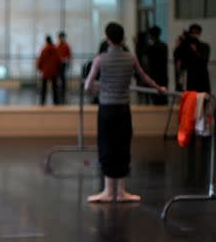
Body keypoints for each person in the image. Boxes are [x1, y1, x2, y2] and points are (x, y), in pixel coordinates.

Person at [84, 22, 165, 203]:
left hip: (106, 109)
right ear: (123, 38)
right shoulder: (130, 58)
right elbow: (144, 78)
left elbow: (88, 85)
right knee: (122, 147)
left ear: (107, 38)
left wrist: (102, 91)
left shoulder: (100, 59)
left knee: (106, 146)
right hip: (122, 110)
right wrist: (159, 88)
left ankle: (107, 191)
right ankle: (121, 192)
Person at [175, 23, 211, 93]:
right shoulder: (186, 46)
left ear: (200, 33)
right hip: (190, 79)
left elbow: (204, 61)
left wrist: (194, 50)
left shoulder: (204, 46)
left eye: (196, 32)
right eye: (192, 33)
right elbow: (177, 56)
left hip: (202, 79)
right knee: (190, 99)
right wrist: (180, 43)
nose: (194, 35)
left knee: (203, 99)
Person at [145, 26, 169, 105]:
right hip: (163, 76)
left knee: (155, 100)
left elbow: (148, 63)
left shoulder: (150, 48)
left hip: (154, 77)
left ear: (151, 36)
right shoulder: (164, 46)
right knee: (163, 98)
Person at [37, 35, 60, 105]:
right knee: (54, 88)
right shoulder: (55, 49)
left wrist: (40, 68)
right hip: (54, 71)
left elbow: (40, 60)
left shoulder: (44, 49)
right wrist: (57, 69)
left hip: (45, 71)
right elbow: (58, 60)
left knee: (44, 88)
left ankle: (42, 101)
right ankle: (56, 101)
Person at [56, 31, 72, 104]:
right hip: (58, 63)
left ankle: (63, 90)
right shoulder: (58, 46)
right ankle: (59, 89)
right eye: (60, 37)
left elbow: (69, 55)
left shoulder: (66, 45)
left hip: (63, 63)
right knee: (58, 77)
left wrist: (66, 60)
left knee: (62, 77)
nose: (61, 39)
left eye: (62, 37)